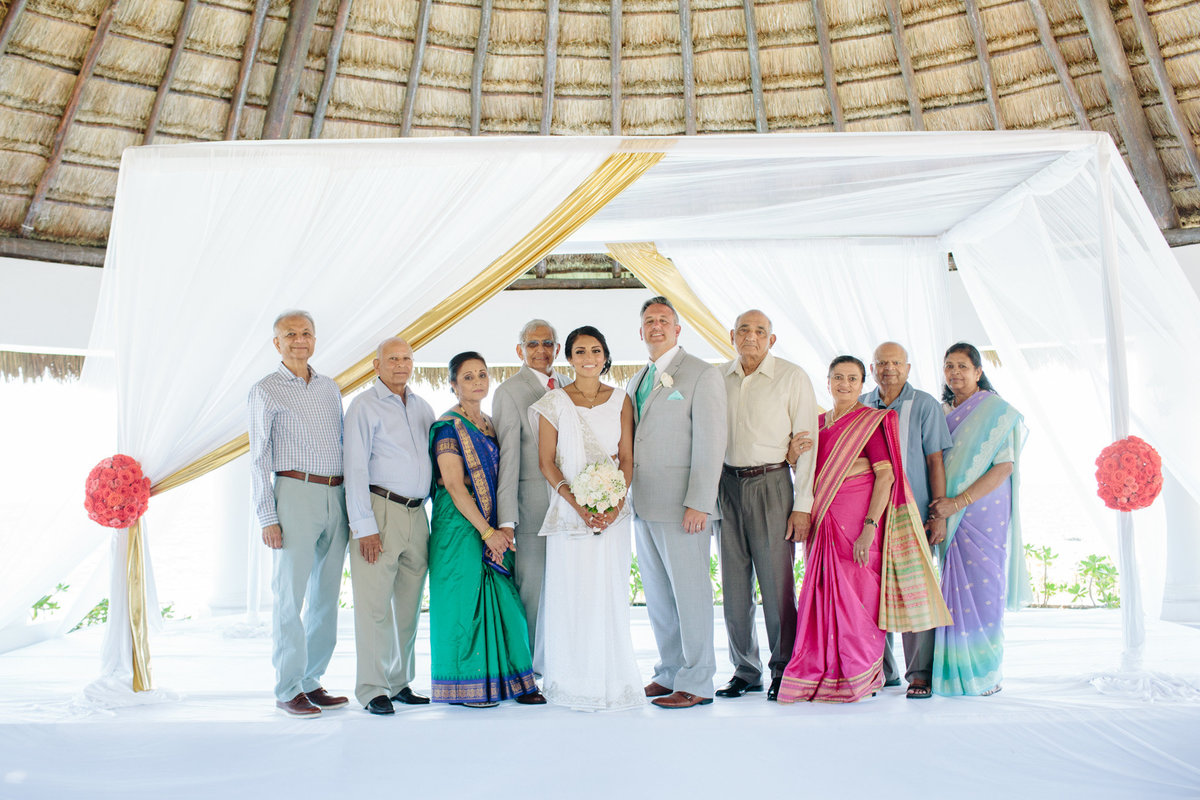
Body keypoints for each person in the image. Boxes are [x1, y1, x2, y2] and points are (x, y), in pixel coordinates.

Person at [778, 356, 949, 704]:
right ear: (827, 382)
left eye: (852, 379)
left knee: (860, 599)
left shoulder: (871, 422)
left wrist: (870, 527)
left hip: (858, 524)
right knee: (824, 597)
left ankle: (859, 674)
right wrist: (792, 456)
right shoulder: (817, 423)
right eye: (838, 377)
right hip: (823, 524)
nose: (844, 384)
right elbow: (808, 477)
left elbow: (885, 476)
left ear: (862, 384)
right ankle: (827, 673)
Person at [529, 326, 645, 711]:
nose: (588, 357)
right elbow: (547, 461)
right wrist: (578, 505)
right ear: (569, 358)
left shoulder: (622, 400)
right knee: (572, 593)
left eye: (596, 350)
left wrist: (613, 503)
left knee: (607, 593)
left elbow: (626, 459)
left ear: (605, 355)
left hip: (613, 514)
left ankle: (611, 679)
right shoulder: (554, 401)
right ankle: (572, 679)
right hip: (569, 514)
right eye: (580, 351)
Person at [247, 310, 350, 717]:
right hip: (293, 493)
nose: (299, 340)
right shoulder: (265, 390)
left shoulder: (329, 387)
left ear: (315, 338)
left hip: (335, 493)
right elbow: (257, 458)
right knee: (289, 595)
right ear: (277, 343)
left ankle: (311, 680)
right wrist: (267, 517)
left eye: (306, 333)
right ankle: (288, 687)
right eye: (290, 334)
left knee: (327, 595)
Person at [427, 351, 544, 707]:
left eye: (482, 375)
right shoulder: (448, 426)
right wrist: (486, 532)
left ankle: (516, 682)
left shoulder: (490, 424)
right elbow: (453, 483)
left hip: (491, 523)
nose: (477, 382)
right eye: (467, 377)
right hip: (460, 526)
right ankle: (466, 688)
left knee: (504, 602)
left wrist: (497, 528)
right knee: (464, 605)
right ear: (452, 384)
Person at [627, 296, 727, 709]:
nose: (656, 326)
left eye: (663, 320)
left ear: (677, 329)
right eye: (649, 320)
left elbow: (711, 441)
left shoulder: (702, 375)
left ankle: (699, 680)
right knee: (659, 597)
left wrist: (700, 501)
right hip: (643, 504)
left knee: (690, 594)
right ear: (641, 330)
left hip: (684, 506)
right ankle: (669, 672)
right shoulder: (637, 379)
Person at [715, 310, 818, 702]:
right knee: (734, 586)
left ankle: (784, 668)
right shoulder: (717, 379)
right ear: (732, 336)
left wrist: (803, 505)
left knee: (777, 585)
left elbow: (807, 445)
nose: (751, 337)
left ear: (771, 340)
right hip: (727, 485)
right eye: (744, 330)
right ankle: (745, 670)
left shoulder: (792, 378)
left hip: (773, 483)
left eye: (760, 331)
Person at [928, 342, 1027, 697]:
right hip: (948, 511)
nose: (955, 373)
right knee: (952, 588)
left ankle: (985, 673)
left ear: (978, 372)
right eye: (949, 366)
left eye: (962, 367)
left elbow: (1004, 467)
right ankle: (953, 673)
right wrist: (945, 506)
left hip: (984, 511)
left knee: (985, 587)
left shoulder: (997, 412)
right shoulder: (939, 411)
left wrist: (960, 502)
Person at [343, 337, 435, 715]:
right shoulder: (363, 407)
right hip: (380, 511)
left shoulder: (422, 406)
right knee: (374, 605)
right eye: (392, 358)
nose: (401, 364)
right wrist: (364, 527)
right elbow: (355, 468)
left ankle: (399, 682)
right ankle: (371, 687)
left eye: (407, 358)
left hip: (418, 514)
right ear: (376, 365)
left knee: (409, 606)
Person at [862, 341, 953, 700]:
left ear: (908, 368)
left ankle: (920, 674)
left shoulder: (925, 405)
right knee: (870, 592)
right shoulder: (862, 403)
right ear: (872, 369)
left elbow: (935, 462)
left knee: (914, 593)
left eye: (896, 363)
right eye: (882, 363)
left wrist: (938, 514)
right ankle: (880, 671)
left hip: (912, 513)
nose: (889, 369)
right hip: (870, 514)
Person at [493, 320, 568, 674]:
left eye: (548, 343)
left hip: (570, 507)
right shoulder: (509, 391)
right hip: (529, 508)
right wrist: (507, 520)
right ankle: (528, 671)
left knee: (564, 587)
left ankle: (558, 661)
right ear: (519, 350)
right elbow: (507, 457)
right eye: (533, 344)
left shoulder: (569, 385)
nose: (541, 350)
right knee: (533, 591)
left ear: (557, 348)